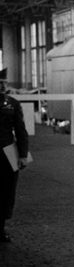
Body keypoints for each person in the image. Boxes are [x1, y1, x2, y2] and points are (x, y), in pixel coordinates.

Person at [0, 68, 29, 243]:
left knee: (7, 192)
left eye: (4, 83)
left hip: (8, 154)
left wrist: (23, 155)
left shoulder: (13, 104)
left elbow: (21, 130)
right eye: (0, 83)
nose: (3, 86)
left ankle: (1, 229)